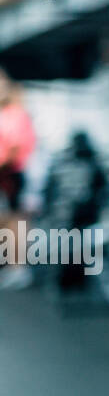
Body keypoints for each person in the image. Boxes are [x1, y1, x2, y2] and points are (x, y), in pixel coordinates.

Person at [0, 67, 38, 289]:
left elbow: (17, 147)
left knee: (15, 221)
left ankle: (17, 268)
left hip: (11, 174)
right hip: (6, 173)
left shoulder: (15, 114)